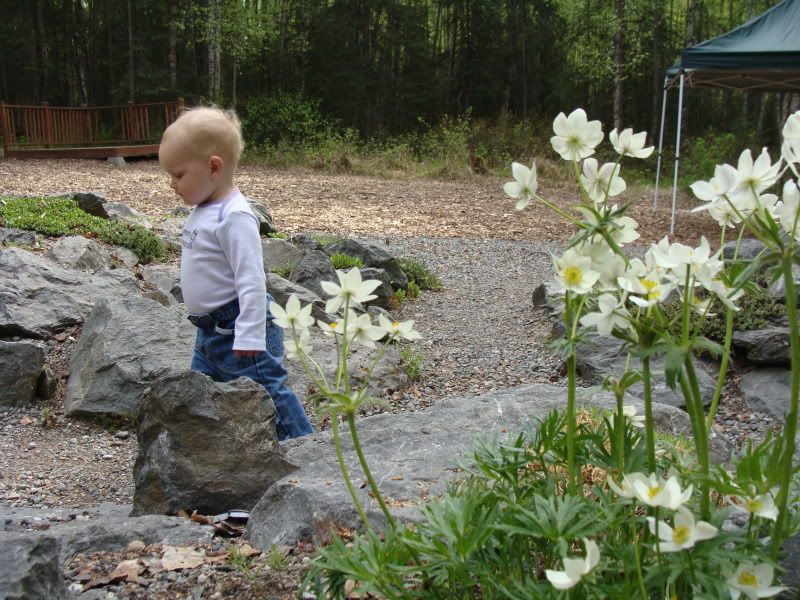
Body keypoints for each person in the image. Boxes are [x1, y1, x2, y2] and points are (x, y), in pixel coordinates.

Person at [158, 106, 314, 440]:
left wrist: (249, 333)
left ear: (214, 167)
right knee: (202, 395)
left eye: (179, 174)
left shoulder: (235, 216)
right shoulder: (205, 208)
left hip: (238, 329)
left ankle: (307, 449)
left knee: (269, 393)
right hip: (209, 332)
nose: (172, 183)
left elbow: (252, 280)